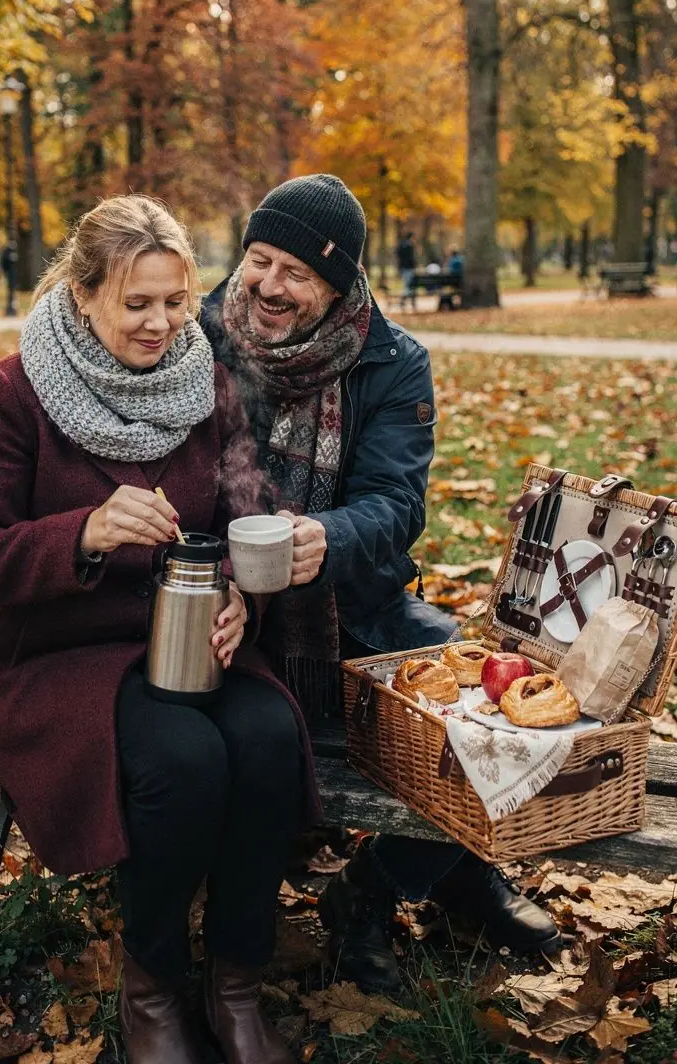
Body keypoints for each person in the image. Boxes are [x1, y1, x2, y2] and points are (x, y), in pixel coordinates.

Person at [0, 196, 316, 1064]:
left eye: (176, 301)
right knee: (182, 760)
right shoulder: (8, 393)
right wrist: (83, 532)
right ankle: (155, 990)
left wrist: (239, 599)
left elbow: (244, 506)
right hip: (56, 656)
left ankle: (238, 988)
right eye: (137, 303)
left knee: (262, 735)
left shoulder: (205, 379)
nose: (162, 323)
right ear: (82, 293)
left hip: (185, 634)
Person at [202, 175, 559, 994]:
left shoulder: (391, 360)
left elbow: (397, 505)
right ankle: (464, 878)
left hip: (353, 608)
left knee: (486, 719)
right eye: (258, 260)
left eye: (296, 273)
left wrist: (326, 538)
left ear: (337, 285)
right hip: (226, 615)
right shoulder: (199, 337)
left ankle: (377, 889)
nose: (267, 285)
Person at [396, 231, 416, 301]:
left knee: (406, 283)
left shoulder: (401, 245)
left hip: (403, 267)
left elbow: (398, 255)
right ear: (411, 237)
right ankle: (404, 299)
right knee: (408, 284)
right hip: (409, 267)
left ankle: (405, 299)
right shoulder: (410, 245)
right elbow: (411, 258)